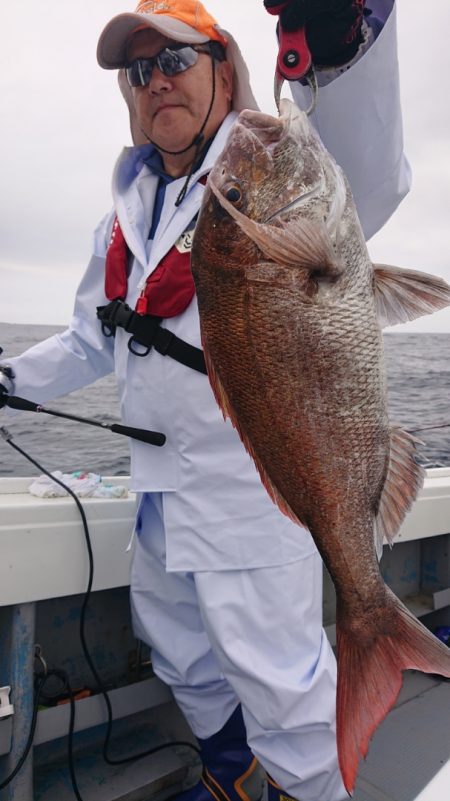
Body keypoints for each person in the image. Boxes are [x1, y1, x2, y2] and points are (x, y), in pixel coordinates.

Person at [0, 2, 410, 800]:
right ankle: (233, 775)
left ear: (225, 67)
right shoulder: (126, 211)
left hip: (258, 494)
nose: (156, 83)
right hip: (158, 494)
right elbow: (92, 336)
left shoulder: (274, 165)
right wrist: (8, 382)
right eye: (138, 71)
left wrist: (340, 38)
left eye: (175, 60)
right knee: (178, 649)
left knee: (285, 688)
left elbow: (371, 169)